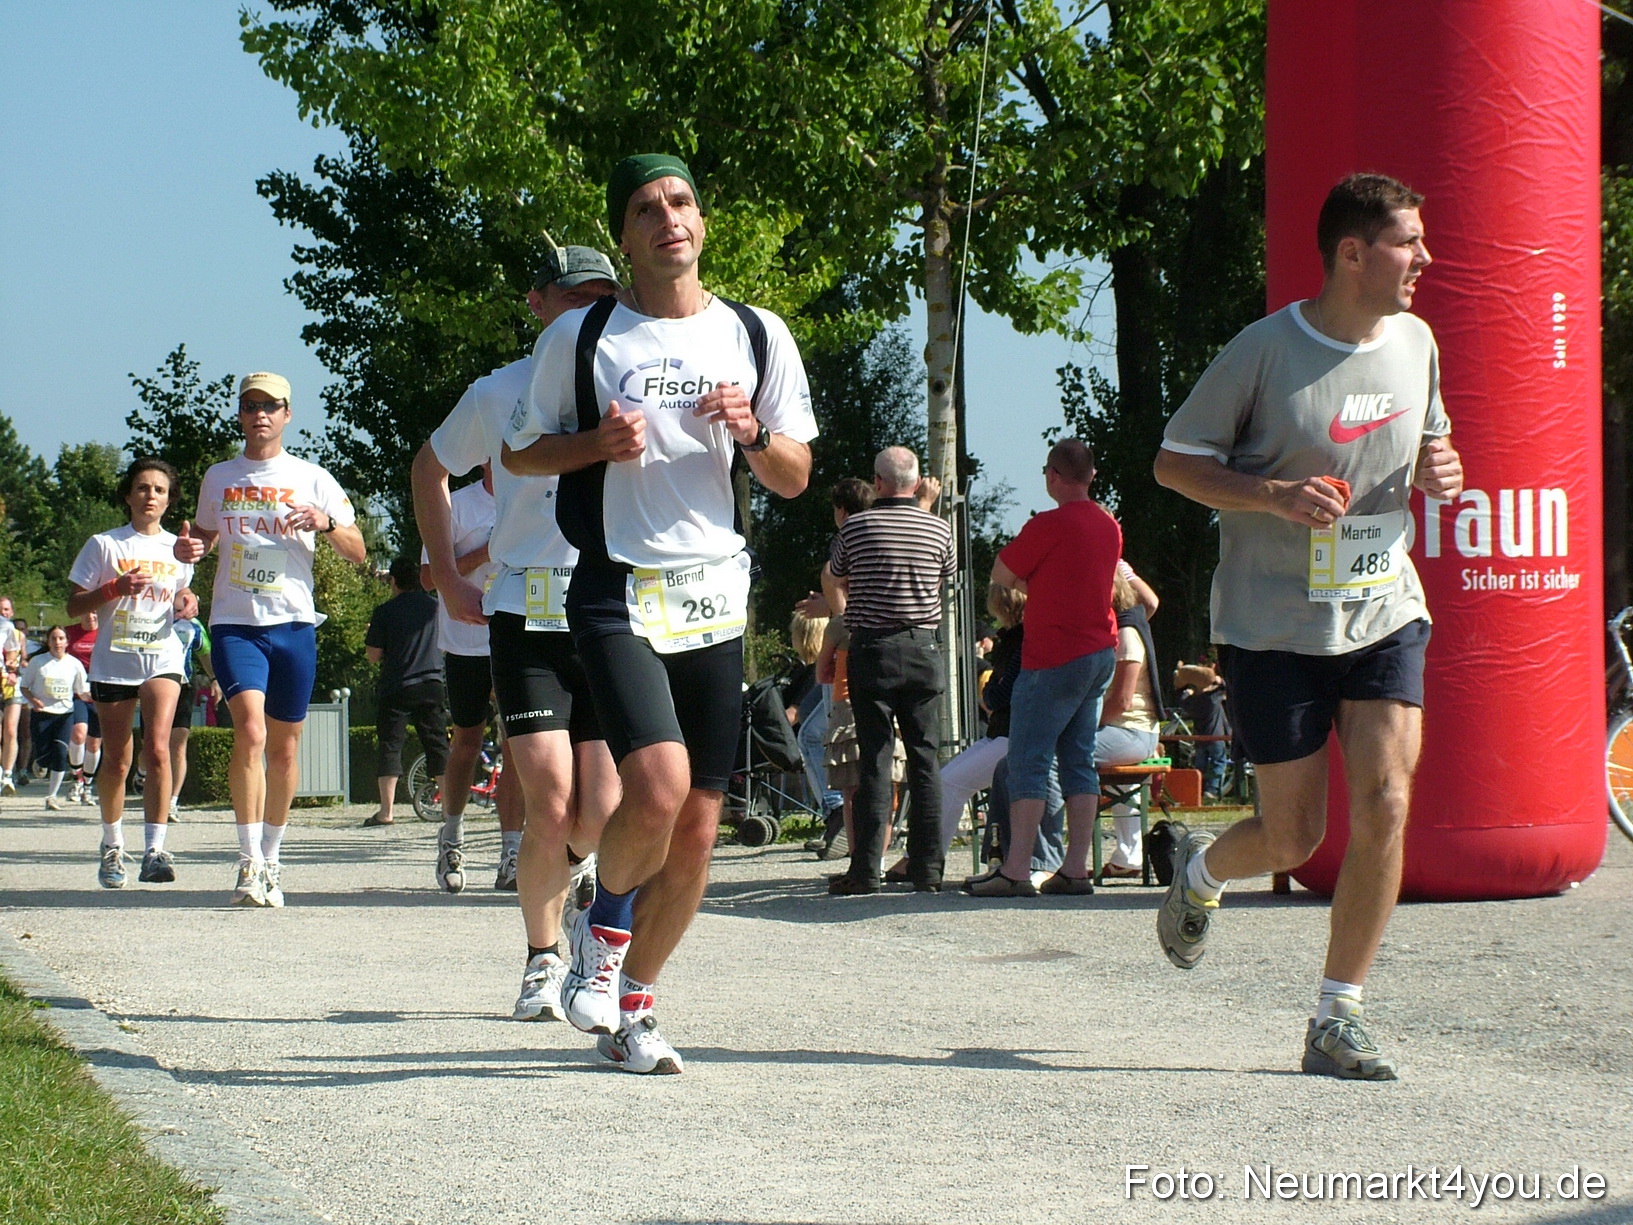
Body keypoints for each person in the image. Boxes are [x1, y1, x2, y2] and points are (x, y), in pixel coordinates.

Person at [504, 153, 816, 1073]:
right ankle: (600, 933)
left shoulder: (756, 334)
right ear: (627, 236)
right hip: (613, 587)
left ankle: (633, 1007)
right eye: (646, 208)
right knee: (659, 785)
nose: (667, 217)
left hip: (714, 595)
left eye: (681, 200)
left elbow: (793, 476)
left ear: (701, 222)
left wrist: (752, 434)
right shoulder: (585, 336)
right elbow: (522, 457)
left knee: (700, 832)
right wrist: (593, 443)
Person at [1153, 173, 1464, 1080]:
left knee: (1387, 801)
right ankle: (1202, 874)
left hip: (1381, 608)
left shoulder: (1417, 341)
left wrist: (1441, 464)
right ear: (1352, 253)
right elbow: (1174, 463)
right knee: (1292, 838)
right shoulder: (1263, 350)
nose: (1425, 257)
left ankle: (1337, 1015)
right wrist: (1271, 495)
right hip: (1271, 621)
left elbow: (1431, 441)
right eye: (1409, 241)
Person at [413, 244, 622, 1018]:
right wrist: (448, 571)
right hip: (524, 609)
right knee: (550, 794)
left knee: (600, 805)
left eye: (602, 297)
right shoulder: (498, 391)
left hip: (607, 609)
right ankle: (541, 957)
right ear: (537, 303)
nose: (587, 311)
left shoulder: (627, 382)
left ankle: (565, 883)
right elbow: (427, 467)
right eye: (572, 298)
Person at [175, 372, 367, 908]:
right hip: (236, 623)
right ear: (240, 414)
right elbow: (206, 538)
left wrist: (326, 523)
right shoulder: (219, 476)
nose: (260, 414)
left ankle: (274, 858)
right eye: (250, 405)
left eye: (271, 406)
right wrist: (191, 551)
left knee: (285, 749)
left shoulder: (311, 476)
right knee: (251, 733)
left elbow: (358, 550)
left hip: (294, 623)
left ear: (287, 415)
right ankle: (247, 861)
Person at [967, 438, 1121, 897]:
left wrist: (1039, 584)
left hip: (1053, 655)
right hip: (1099, 653)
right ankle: (1075, 869)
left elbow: (1002, 574)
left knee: (1028, 759)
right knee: (1078, 760)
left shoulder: (1046, 525)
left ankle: (1016, 869)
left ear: (1053, 476)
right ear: (1091, 475)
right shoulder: (1108, 525)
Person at [824, 447, 955, 895]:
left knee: (876, 759)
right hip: (923, 648)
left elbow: (838, 575)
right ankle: (928, 867)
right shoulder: (939, 529)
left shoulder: (856, 527)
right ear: (917, 484)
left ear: (878, 483)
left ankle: (865, 870)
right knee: (925, 758)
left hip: (873, 649)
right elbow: (944, 577)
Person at [65, 457, 198, 888]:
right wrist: (114, 589)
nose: (150, 496)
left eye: (159, 490)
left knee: (158, 749)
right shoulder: (104, 545)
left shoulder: (178, 548)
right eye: (142, 488)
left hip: (161, 657)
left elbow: (182, 594)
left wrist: (188, 602)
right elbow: (74, 605)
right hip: (115, 660)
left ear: (168, 500)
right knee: (119, 758)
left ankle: (155, 849)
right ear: (128, 495)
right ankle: (111, 844)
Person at [416, 461, 514, 893]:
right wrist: (487, 551)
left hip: (519, 636)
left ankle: (512, 851)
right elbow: (425, 577)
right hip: (466, 641)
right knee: (467, 742)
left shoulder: (536, 496)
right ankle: (451, 835)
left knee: (519, 745)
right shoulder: (457, 504)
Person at [362, 557, 450, 828]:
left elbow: (373, 655)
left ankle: (386, 811)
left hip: (397, 684)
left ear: (394, 581)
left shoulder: (385, 611)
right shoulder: (436, 608)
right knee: (437, 744)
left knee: (391, 745)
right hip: (432, 681)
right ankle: (449, 809)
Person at [1093, 571, 1167, 878]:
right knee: (1122, 783)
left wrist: (1083, 726)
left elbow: (1121, 701)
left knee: (1061, 756)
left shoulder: (1125, 633)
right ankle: (1129, 856)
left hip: (1131, 731)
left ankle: (1050, 856)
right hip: (1136, 732)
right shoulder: (1131, 625)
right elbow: (1151, 601)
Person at [21, 627, 90, 811]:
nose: (58, 642)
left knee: (60, 752)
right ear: (48, 641)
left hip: (65, 713)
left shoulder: (74, 664)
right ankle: (40, 761)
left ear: (67, 642)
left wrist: (95, 699)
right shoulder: (38, 662)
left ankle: (51, 796)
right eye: (54, 638)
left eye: (61, 638)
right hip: (42, 714)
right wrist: (34, 700)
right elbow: (24, 687)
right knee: (44, 753)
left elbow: (82, 691)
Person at [169, 612, 217, 821]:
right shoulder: (153, 610)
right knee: (153, 744)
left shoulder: (193, 625)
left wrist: (214, 678)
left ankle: (172, 801)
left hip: (183, 684)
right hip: (154, 684)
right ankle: (143, 773)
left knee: (179, 742)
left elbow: (204, 652)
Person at [64, 611, 101, 805]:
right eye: (87, 612)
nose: (91, 616)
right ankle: (76, 778)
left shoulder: (105, 632)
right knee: (78, 734)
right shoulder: (70, 633)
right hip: (76, 692)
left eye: (95, 613)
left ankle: (87, 784)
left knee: (94, 743)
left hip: (99, 691)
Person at [1, 599, 26, 795]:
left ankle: (8, 774)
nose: (3, 613)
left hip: (9, 682)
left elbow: (16, 656)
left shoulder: (10, 628)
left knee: (10, 729)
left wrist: (12, 670)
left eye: (6, 609)